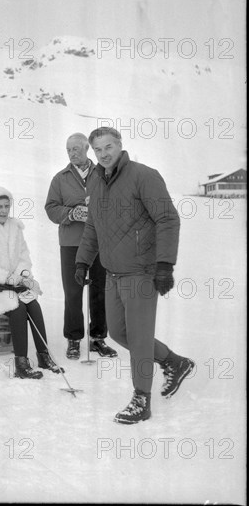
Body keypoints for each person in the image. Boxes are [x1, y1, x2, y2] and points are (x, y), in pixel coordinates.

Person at [75, 127, 195, 424]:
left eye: (108, 147)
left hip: (142, 272)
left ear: (119, 145)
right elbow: (93, 226)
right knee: (118, 332)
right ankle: (173, 362)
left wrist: (165, 264)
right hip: (113, 273)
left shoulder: (143, 175)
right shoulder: (95, 181)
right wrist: (82, 261)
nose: (104, 154)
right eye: (98, 150)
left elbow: (168, 218)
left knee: (139, 338)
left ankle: (142, 399)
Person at [0, 186, 62, 379]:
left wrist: (21, 276)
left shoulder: (15, 227)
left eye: (6, 206)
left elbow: (23, 256)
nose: (3, 210)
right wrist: (6, 278)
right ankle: (21, 363)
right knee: (17, 308)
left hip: (14, 283)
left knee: (33, 305)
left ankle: (43, 355)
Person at [45, 132, 117, 360]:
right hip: (71, 244)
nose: (71, 153)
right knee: (73, 292)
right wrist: (72, 213)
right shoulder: (60, 178)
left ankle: (98, 338)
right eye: (68, 149)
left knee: (99, 291)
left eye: (75, 149)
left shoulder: (104, 174)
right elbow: (51, 208)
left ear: (87, 149)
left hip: (99, 243)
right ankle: (74, 339)